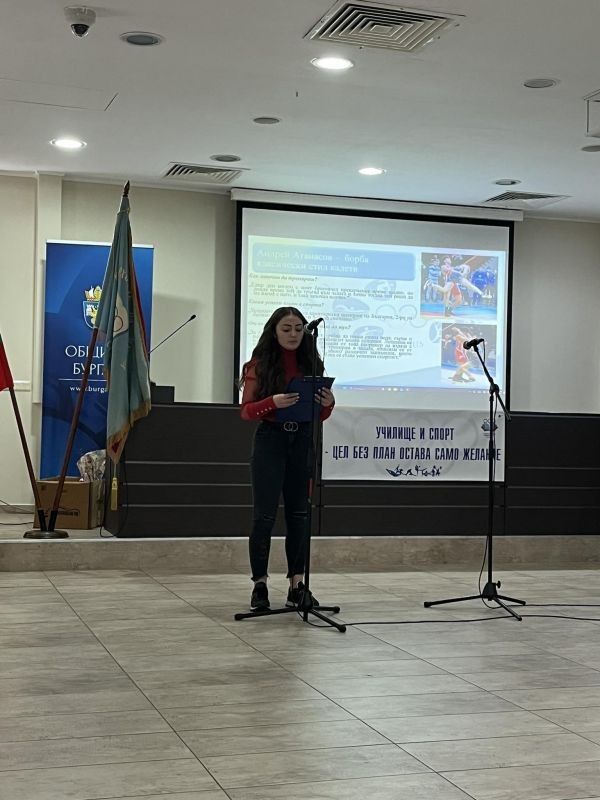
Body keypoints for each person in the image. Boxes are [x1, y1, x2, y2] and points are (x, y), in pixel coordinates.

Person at [239, 307, 335, 612]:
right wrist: (273, 402)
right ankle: (260, 585)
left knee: (299, 515)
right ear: (274, 331)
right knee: (264, 516)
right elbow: (246, 411)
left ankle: (297, 585)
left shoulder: (311, 364)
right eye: (286, 328)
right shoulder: (260, 364)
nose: (293, 334)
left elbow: (319, 414)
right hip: (271, 440)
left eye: (298, 329)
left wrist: (328, 404)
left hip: (302, 441)